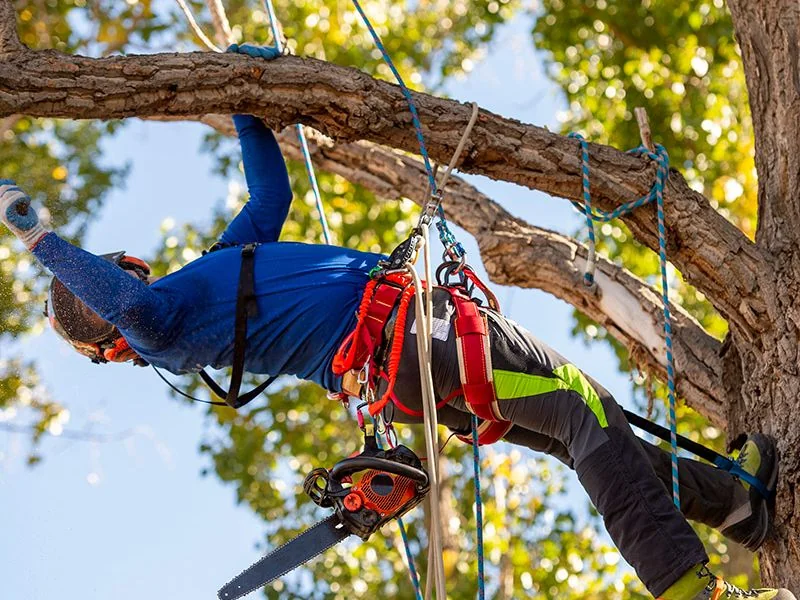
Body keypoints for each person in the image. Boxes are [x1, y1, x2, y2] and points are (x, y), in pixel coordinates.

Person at [0, 44, 793, 600]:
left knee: (580, 431)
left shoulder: (216, 276)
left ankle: (734, 504)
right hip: (424, 345)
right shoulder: (159, 329)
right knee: (584, 415)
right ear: (116, 311)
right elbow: (130, 308)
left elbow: (269, 202)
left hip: (417, 362)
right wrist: (43, 242)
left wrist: (242, 101)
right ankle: (694, 590)